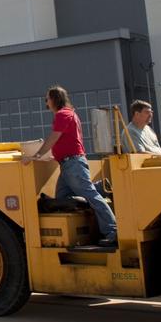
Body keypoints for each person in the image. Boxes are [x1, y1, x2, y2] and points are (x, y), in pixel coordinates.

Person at [21, 86, 118, 249]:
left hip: (72, 164)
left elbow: (53, 137)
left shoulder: (62, 114)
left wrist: (36, 155)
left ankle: (112, 230)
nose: (46, 103)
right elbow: (66, 140)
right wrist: (55, 156)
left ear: (54, 99)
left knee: (90, 195)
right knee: (61, 199)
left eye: (47, 99)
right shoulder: (69, 114)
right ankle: (96, 194)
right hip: (68, 165)